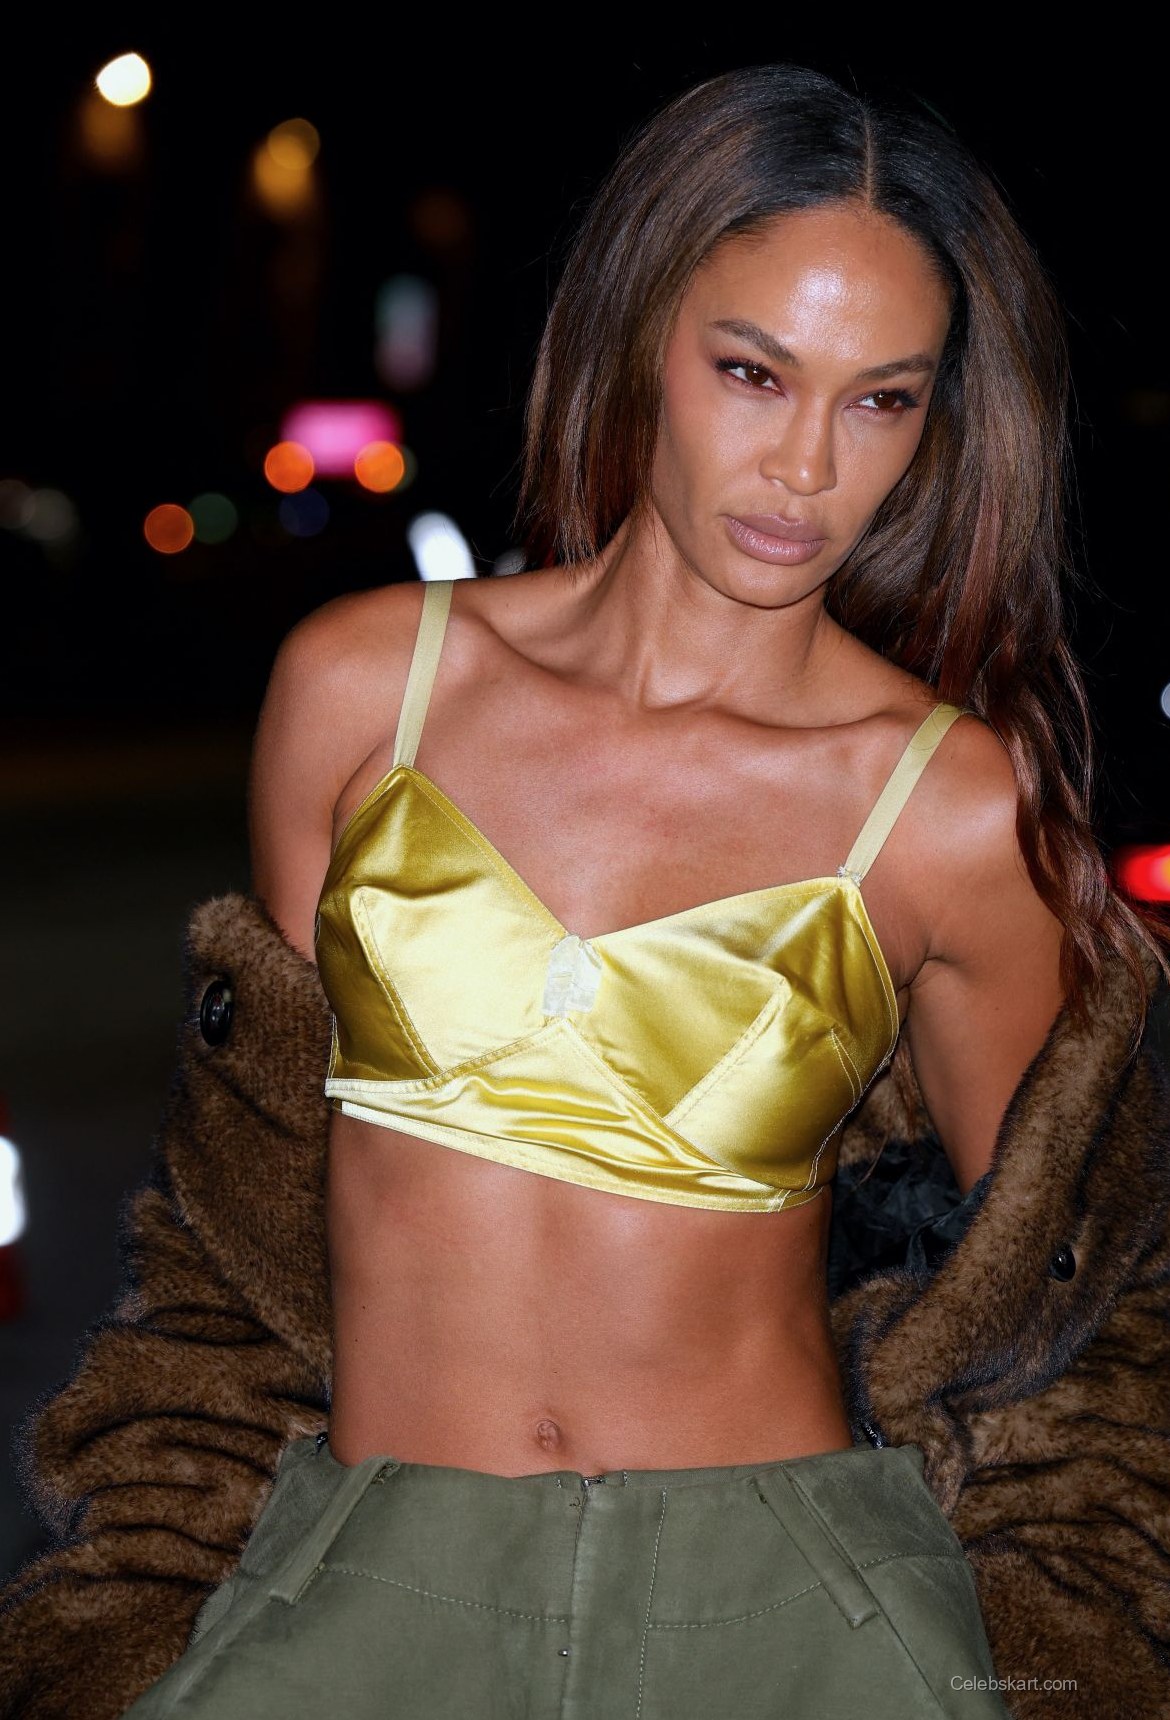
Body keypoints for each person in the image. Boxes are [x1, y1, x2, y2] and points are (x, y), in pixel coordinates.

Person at [4, 62, 1168, 1720]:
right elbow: (239, 1232)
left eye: (881, 401)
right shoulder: (363, 692)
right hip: (365, 1589)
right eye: (751, 372)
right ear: (639, 337)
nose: (805, 466)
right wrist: (129, 1597)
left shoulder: (948, 808)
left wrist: (1065, 1666)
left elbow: (1085, 1315)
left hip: (782, 1610)